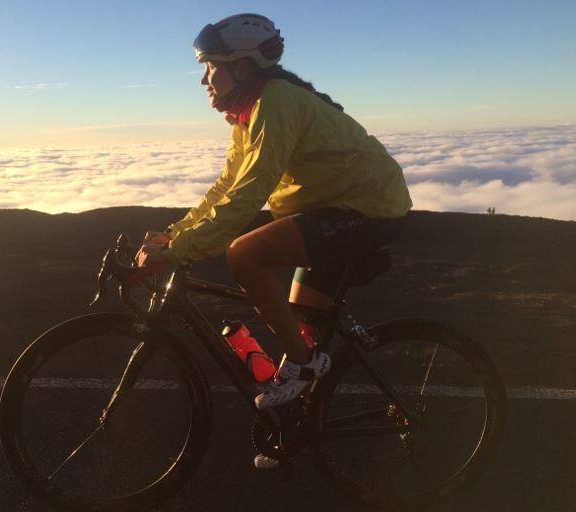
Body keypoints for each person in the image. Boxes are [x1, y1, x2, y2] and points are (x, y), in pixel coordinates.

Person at [135, 13, 412, 466]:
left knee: (245, 255)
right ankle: (297, 430)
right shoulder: (250, 114)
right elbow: (226, 186)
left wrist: (180, 252)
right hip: (337, 209)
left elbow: (248, 196)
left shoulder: (276, 103)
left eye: (211, 67)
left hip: (370, 211)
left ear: (242, 67)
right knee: (301, 328)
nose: (205, 79)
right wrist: (175, 233)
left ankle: (303, 368)